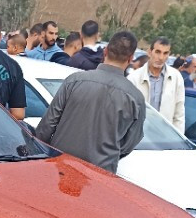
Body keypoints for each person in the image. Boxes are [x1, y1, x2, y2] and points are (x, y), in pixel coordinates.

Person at [34, 30, 145, 173]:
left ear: (105, 51)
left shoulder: (74, 81)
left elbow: (47, 126)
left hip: (59, 166)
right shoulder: (135, 98)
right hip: (100, 175)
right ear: (130, 59)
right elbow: (127, 144)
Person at [127, 36, 186, 132]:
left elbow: (179, 114)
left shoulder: (176, 77)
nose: (161, 57)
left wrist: (178, 140)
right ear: (149, 52)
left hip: (165, 137)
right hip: (139, 137)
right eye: (158, 52)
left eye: (165, 53)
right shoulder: (134, 78)